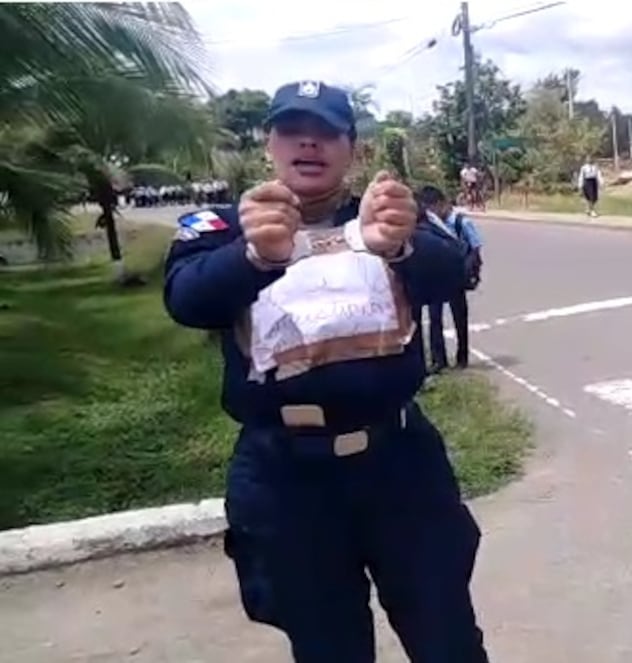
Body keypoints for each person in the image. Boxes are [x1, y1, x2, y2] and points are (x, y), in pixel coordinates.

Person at [162, 80, 489, 663]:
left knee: (448, 641)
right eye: (292, 129)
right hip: (285, 479)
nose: (308, 143)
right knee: (327, 649)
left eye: (327, 132)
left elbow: (453, 271)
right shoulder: (224, 227)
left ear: (352, 148)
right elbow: (187, 300)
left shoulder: (385, 217)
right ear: (269, 142)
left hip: (400, 465)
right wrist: (253, 255)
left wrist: (400, 247)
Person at [417, 185, 482, 371]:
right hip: (436, 276)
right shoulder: (430, 223)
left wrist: (471, 272)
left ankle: (462, 358)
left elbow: (475, 248)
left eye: (433, 209)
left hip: (456, 275)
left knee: (459, 316)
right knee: (434, 317)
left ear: (442, 204)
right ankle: (439, 360)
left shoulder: (462, 222)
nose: (432, 214)